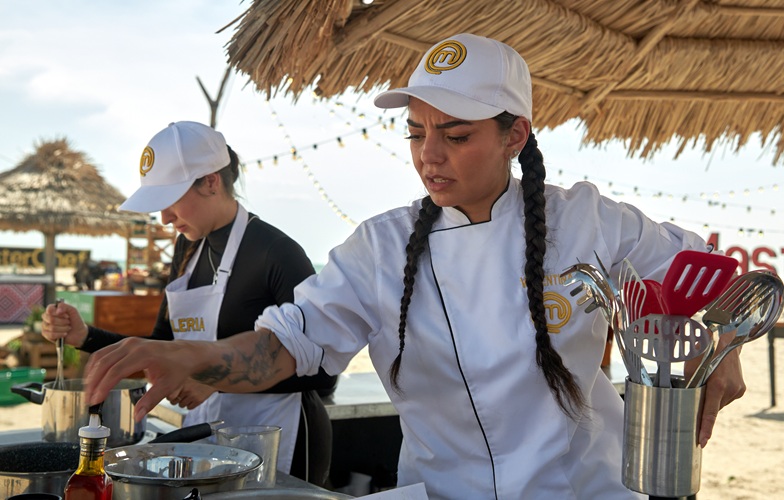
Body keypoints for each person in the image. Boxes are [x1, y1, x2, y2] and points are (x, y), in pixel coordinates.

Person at [83, 35, 746, 499]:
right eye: (416, 132)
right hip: (436, 493)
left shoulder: (589, 221)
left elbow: (722, 278)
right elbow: (288, 342)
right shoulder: (381, 247)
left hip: (582, 491)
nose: (430, 154)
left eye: (456, 136)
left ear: (514, 135)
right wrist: (190, 359)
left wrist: (729, 344)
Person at [42, 121, 337, 485]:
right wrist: (85, 336)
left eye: (170, 201)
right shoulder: (187, 249)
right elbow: (162, 349)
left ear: (211, 181)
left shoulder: (277, 253)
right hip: (208, 441)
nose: (164, 219)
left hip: (280, 441)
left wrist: (215, 378)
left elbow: (324, 374)